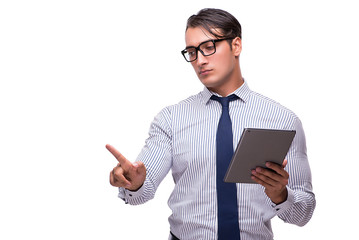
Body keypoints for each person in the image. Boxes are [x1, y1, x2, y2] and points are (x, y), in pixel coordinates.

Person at [107, 8, 315, 240]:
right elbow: (141, 190)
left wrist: (280, 194)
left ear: (236, 46)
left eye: (208, 47)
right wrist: (132, 183)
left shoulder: (283, 120)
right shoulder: (171, 119)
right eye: (192, 52)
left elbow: (303, 213)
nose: (200, 60)